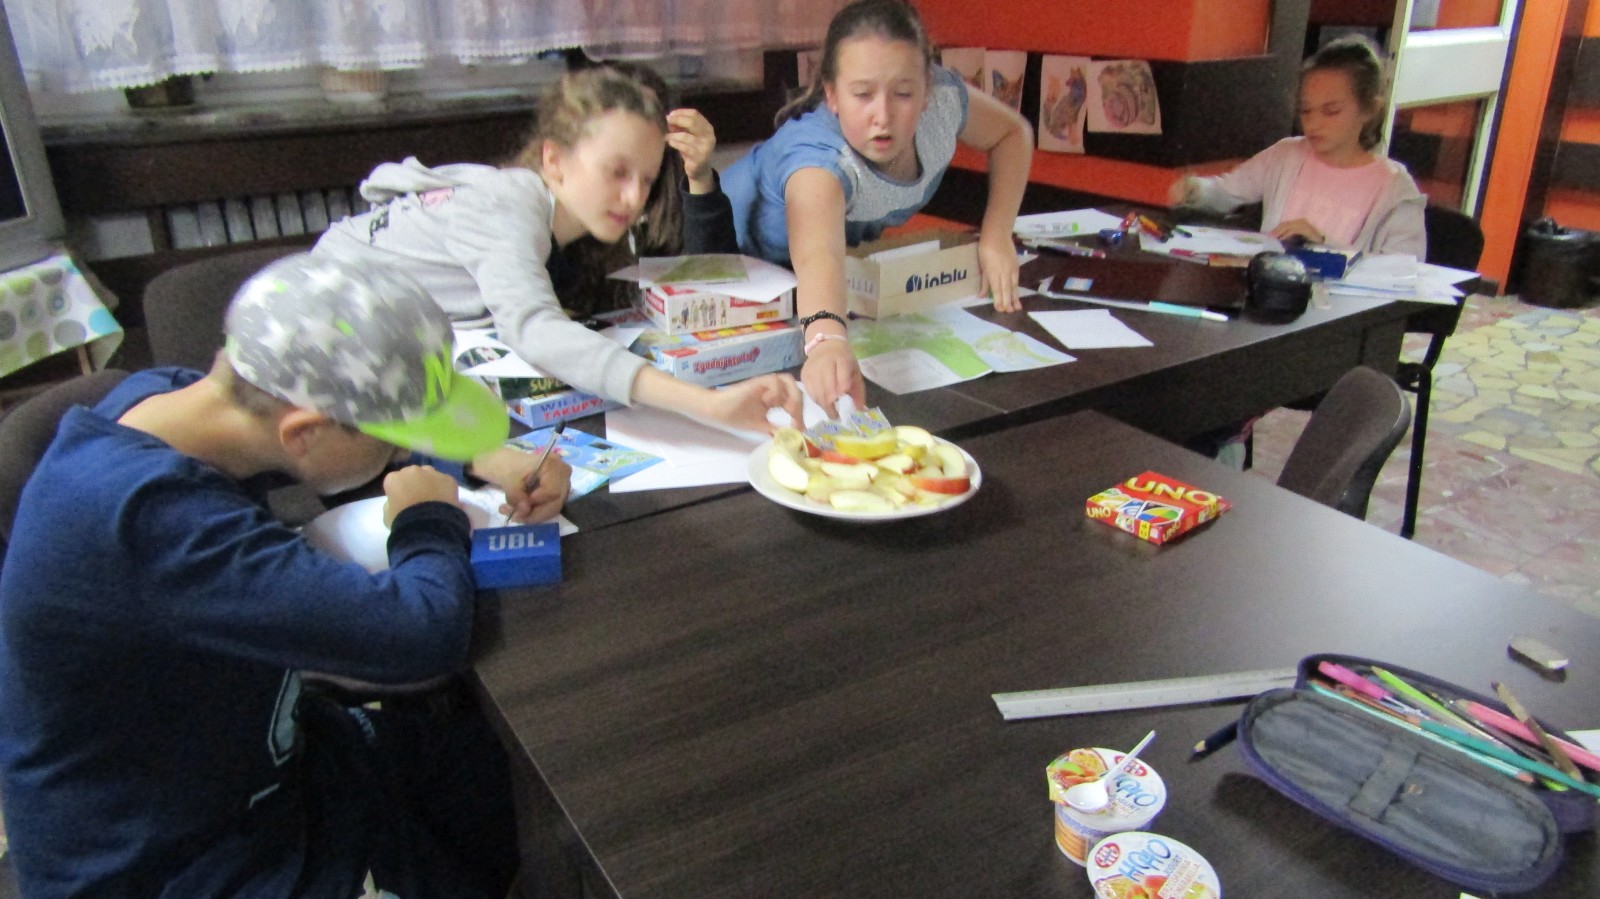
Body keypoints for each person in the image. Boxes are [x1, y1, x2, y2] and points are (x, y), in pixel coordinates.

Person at [0, 254, 569, 898]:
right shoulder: (149, 520)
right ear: (303, 431)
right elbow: (419, 634)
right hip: (166, 863)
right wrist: (429, 518)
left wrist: (476, 456)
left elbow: (332, 443)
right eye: (391, 438)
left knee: (494, 768)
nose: (397, 449)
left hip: (244, 763)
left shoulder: (175, 402)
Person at [313, 65, 802, 433]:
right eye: (616, 172)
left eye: (646, 179)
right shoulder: (508, 204)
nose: (633, 197)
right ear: (555, 159)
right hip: (329, 335)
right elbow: (536, 330)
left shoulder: (544, 216)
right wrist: (707, 404)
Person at [721, 0, 1034, 415]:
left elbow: (1013, 134)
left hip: (801, 285)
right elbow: (818, 256)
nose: (882, 115)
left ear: (926, 89)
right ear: (831, 94)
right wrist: (828, 341)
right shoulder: (817, 159)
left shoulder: (944, 102)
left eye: (903, 93)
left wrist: (996, 236)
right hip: (724, 262)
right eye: (863, 94)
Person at [1170, 35, 1426, 258]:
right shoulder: (1285, 155)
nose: (1314, 123)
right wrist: (1197, 190)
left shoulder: (1394, 189)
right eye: (1305, 111)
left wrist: (1323, 244)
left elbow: (1404, 270)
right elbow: (1228, 192)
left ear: (1369, 109)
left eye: (1331, 111)